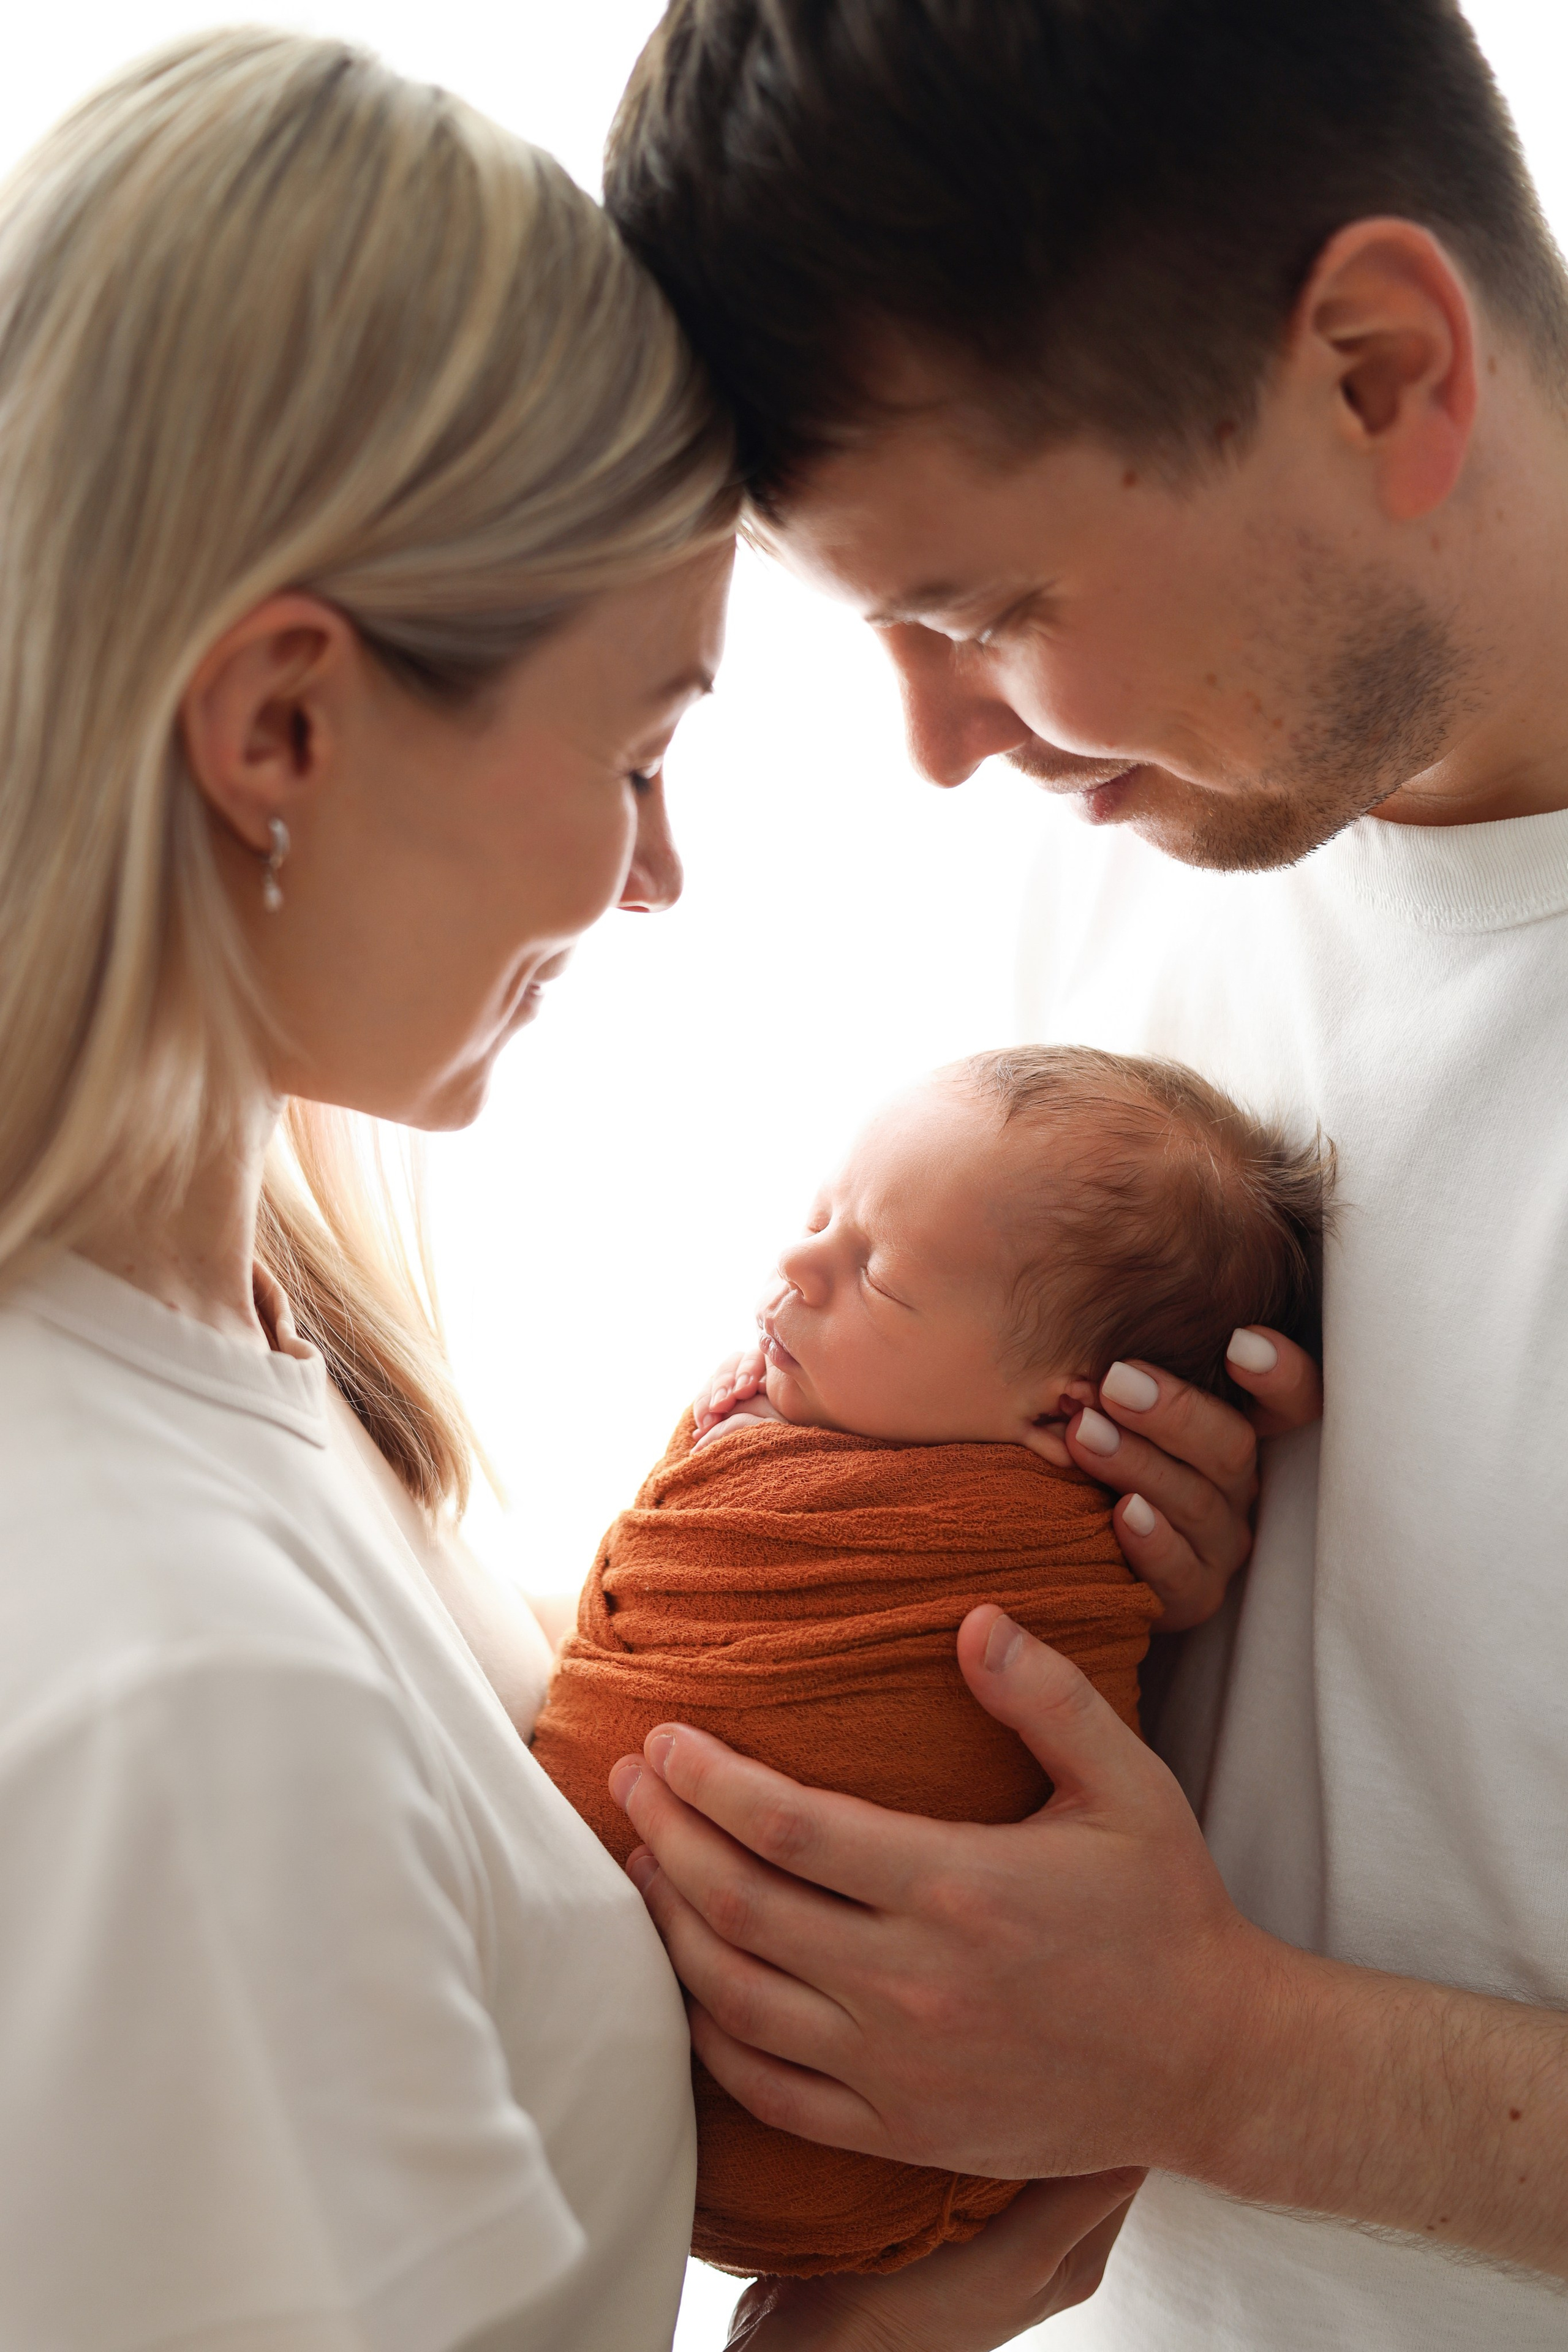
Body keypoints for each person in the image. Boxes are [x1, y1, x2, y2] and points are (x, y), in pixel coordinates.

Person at [0, 27, 1191, 2352]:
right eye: (640, 750)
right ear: (281, 728)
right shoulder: (166, 1692)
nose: (661, 875)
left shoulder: (233, 1336)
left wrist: (1019, 1545)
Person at [599, 2, 1568, 2346]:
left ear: (1374, 371)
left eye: (990, 611)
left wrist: (1235, 2063)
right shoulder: (1139, 846)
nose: (944, 745)